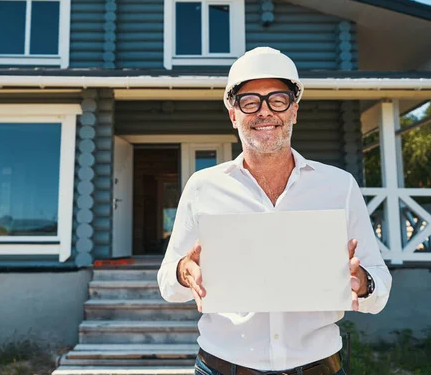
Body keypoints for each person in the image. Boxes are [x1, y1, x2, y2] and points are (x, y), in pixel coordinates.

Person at [157, 47, 392, 375]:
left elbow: (380, 284)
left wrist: (362, 282)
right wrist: (185, 271)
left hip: (319, 367)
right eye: (250, 101)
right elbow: (167, 282)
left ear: (294, 111)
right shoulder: (202, 187)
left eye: (277, 100)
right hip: (222, 367)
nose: (265, 112)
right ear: (233, 115)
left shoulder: (340, 187)